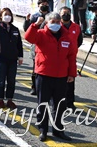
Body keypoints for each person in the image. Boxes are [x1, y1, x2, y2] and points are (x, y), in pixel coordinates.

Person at [24, 12, 77, 142]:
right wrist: (35, 24)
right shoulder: (41, 34)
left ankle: (58, 130)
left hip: (61, 76)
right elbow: (29, 37)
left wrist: (71, 74)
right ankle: (43, 130)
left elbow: (71, 56)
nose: (55, 24)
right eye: (52, 22)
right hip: (44, 74)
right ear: (47, 22)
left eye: (57, 22)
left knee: (60, 105)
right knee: (43, 104)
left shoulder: (66, 36)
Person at [0, 8, 23, 109]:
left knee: (11, 80)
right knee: (1, 80)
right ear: (1, 16)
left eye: (9, 14)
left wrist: (20, 56)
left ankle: (10, 99)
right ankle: (0, 99)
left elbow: (19, 44)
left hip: (13, 59)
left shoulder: (15, 29)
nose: (7, 16)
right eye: (5, 14)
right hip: (1, 59)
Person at [59, 6, 82, 109]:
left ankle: (70, 103)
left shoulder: (76, 27)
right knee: (59, 82)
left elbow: (79, 41)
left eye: (68, 12)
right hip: (59, 58)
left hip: (71, 58)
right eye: (64, 13)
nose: (66, 14)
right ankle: (58, 102)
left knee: (71, 81)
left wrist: (73, 48)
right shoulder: (56, 26)